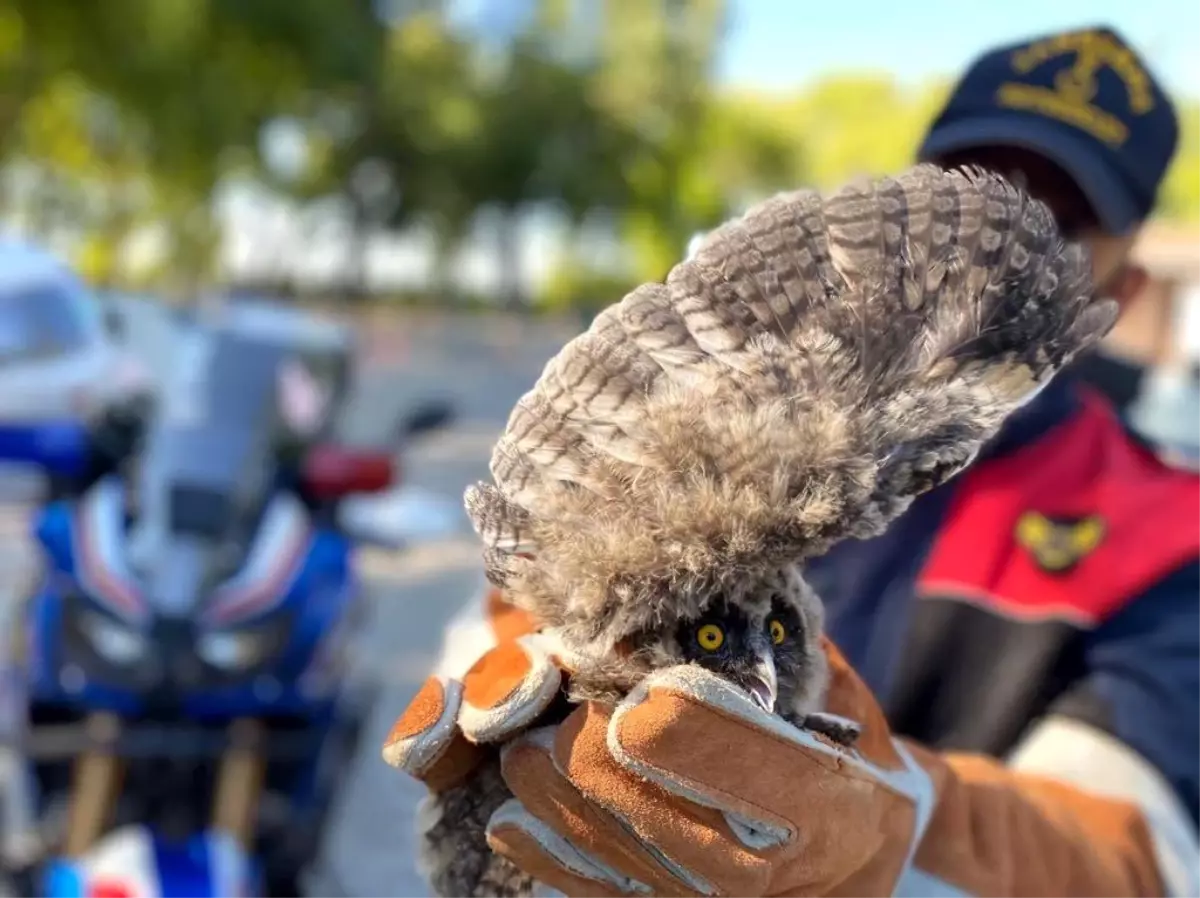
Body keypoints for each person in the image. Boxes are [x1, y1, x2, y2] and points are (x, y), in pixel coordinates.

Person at [385, 25, 1200, 897]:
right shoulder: (756, 398)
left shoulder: (1168, 530)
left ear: (1121, 292)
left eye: (1058, 219)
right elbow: (534, 579)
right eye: (978, 185)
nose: (998, 238)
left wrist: (894, 822)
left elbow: (1134, 848)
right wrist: (536, 655)